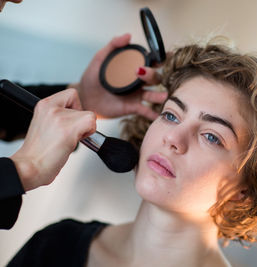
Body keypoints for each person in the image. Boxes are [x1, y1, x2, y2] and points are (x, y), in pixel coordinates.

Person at [7, 37, 257, 267]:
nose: (173, 138)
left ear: (244, 192)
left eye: (212, 137)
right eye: (171, 115)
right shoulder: (56, 245)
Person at [0, 29, 167, 229]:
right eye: (172, 116)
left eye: (210, 136)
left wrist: (84, 97)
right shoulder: (55, 239)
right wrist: (25, 169)